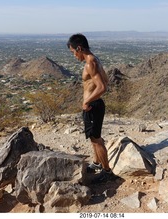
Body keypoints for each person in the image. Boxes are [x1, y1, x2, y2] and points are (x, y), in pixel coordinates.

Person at [67, 33, 117, 183]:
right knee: (93, 138)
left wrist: (86, 101)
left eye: (73, 52)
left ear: (79, 48)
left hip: (93, 106)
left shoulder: (90, 63)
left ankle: (107, 172)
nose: (74, 55)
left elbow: (102, 87)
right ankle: (96, 163)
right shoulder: (95, 60)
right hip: (94, 104)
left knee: (96, 140)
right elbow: (106, 80)